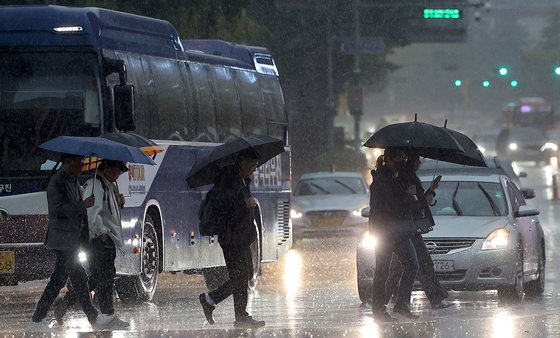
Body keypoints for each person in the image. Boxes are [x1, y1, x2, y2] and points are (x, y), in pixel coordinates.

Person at [28, 153, 116, 332]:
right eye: (79, 162)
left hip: (72, 239)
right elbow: (57, 210)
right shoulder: (57, 182)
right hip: (63, 240)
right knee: (72, 278)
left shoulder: (74, 180)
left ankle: (39, 319)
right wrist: (83, 205)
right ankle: (38, 320)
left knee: (70, 279)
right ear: (68, 162)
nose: (82, 166)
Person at [53, 160, 131, 328]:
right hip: (99, 240)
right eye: (118, 170)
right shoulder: (96, 184)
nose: (119, 174)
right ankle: (107, 315)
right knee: (104, 278)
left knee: (100, 278)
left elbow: (106, 210)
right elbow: (90, 213)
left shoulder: (107, 185)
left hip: (107, 239)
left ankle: (68, 303)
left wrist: (119, 202)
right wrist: (101, 233)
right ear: (107, 168)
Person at [199, 147, 266, 328]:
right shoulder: (228, 181)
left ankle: (211, 299)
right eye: (252, 165)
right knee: (240, 276)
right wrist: (243, 203)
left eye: (256, 165)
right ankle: (240, 316)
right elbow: (223, 208)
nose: (254, 168)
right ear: (242, 163)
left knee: (243, 276)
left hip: (241, 237)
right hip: (232, 238)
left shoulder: (240, 181)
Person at [385, 152, 456, 310]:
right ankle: (435, 299)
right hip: (408, 228)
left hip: (407, 227)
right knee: (423, 263)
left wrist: (431, 189)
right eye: (417, 160)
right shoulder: (405, 177)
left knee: (398, 268)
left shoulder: (407, 176)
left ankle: (380, 300)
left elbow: (414, 200)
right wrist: (424, 199)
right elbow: (408, 205)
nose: (420, 163)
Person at [369, 147, 419, 322]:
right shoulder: (380, 180)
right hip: (384, 232)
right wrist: (406, 197)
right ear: (389, 159)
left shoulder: (401, 177)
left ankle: (402, 305)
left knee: (412, 265)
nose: (403, 160)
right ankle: (378, 309)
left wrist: (414, 198)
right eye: (399, 157)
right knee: (382, 270)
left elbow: (404, 206)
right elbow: (387, 207)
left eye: (405, 157)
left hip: (400, 231)